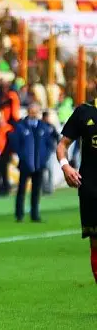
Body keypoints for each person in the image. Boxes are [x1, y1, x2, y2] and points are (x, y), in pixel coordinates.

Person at [56, 98, 97, 283]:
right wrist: (65, 166)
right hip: (91, 189)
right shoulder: (84, 112)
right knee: (95, 243)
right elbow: (62, 145)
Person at [10, 103, 53, 222]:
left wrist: (44, 158)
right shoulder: (21, 126)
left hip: (39, 164)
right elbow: (16, 143)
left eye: (36, 112)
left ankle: (35, 214)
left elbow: (49, 144)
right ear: (28, 112)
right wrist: (22, 156)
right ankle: (19, 215)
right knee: (21, 190)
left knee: (36, 191)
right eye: (31, 111)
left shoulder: (43, 127)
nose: (33, 114)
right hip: (25, 164)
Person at [41, 111, 60, 194]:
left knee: (50, 169)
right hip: (41, 151)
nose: (48, 118)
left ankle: (50, 188)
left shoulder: (51, 126)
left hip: (50, 150)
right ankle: (44, 188)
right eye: (46, 117)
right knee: (42, 170)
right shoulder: (40, 126)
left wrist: (58, 146)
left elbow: (57, 136)